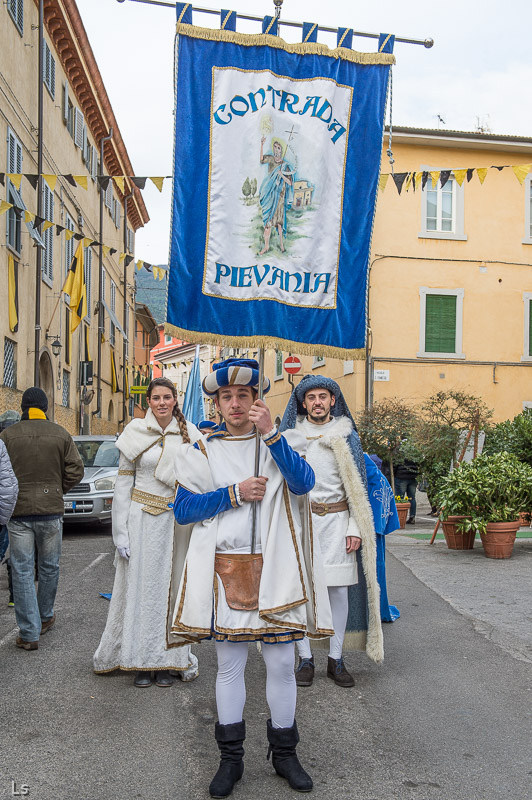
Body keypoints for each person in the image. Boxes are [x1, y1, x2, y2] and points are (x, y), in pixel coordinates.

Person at [170, 358, 333, 798]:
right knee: (230, 666)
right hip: (227, 569)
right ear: (217, 403)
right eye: (227, 396)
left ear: (258, 400)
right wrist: (234, 494)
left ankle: (285, 755)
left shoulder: (281, 441)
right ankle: (231, 761)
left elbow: (303, 484)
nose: (237, 402)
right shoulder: (201, 449)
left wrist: (273, 435)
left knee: (281, 664)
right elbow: (183, 510)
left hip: (277, 568)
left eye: (245, 394)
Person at [280, 375, 390, 689]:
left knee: (337, 592)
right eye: (311, 397)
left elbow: (358, 487)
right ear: (303, 403)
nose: (317, 402)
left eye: (323, 397)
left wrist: (355, 526)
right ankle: (305, 658)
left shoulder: (346, 436)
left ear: (332, 401)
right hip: (301, 523)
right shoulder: (291, 437)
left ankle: (336, 658)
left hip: (338, 523)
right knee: (300, 592)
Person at [93, 377, 200, 687]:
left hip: (175, 523)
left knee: (171, 590)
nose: (162, 402)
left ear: (175, 400)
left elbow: (200, 478)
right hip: (141, 521)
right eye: (156, 397)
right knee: (140, 592)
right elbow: (123, 484)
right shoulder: (134, 433)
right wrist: (120, 535)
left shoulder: (189, 434)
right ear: (149, 401)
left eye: (167, 397)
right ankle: (141, 661)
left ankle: (170, 661)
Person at [0, 387, 84, 650]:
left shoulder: (7, 436)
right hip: (51, 510)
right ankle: (45, 616)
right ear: (45, 407)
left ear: (24, 407)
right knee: (49, 567)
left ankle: (29, 633)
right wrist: (58, 489)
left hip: (18, 512)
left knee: (22, 570)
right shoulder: (60, 433)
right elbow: (76, 470)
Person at [259, 136, 294, 255]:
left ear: (281, 150)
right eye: (275, 147)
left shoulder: (286, 166)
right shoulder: (271, 159)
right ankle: (266, 246)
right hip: (270, 196)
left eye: (278, 148)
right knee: (268, 223)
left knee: (279, 223)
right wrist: (262, 145)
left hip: (280, 198)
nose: (276, 150)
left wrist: (282, 174)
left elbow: (289, 182)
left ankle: (282, 245)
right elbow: (261, 160)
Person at [394, 459, 419, 524]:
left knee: (399, 498)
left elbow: (395, 464)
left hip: (401, 476)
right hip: (412, 477)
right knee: (412, 498)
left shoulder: (398, 452)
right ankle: (412, 516)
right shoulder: (414, 451)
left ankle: (399, 517)